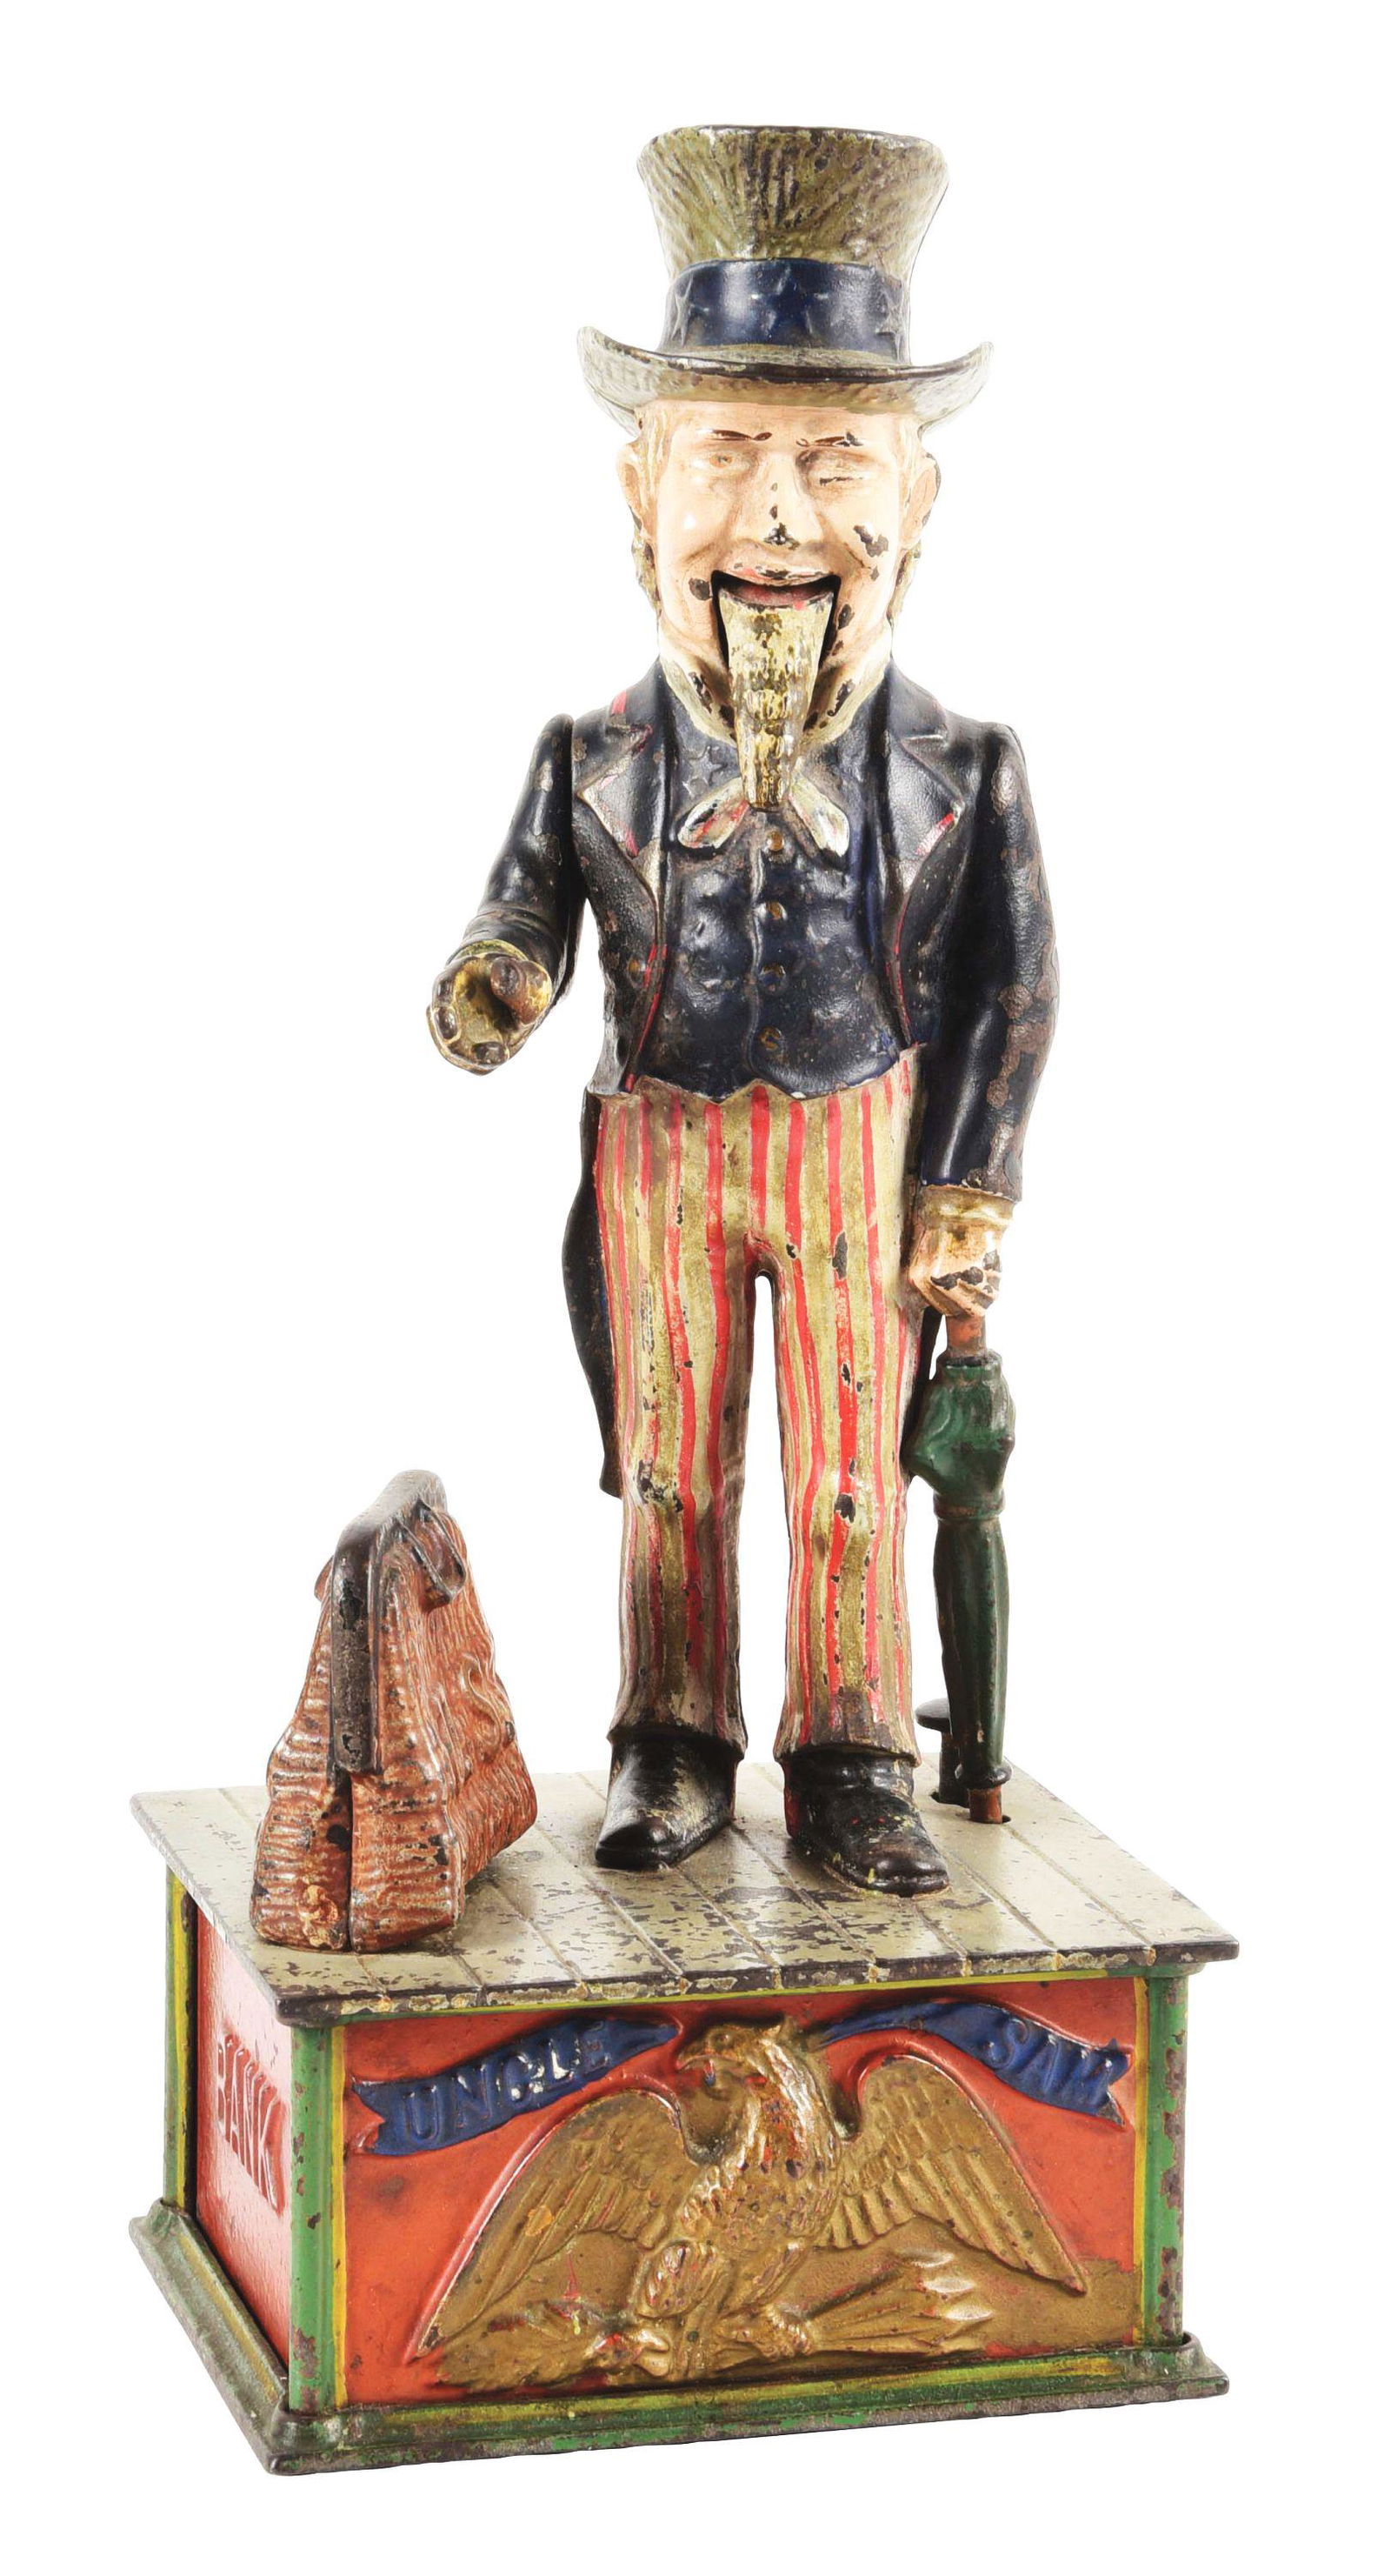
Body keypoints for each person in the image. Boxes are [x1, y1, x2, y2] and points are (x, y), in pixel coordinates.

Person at [429, 127, 1055, 1891]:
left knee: (852, 1467)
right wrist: (499, 975)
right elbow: (525, 904)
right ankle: (671, 1733)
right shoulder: (589, 757)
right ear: (641, 490)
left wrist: (965, 1186)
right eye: (728, 454)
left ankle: (851, 1748)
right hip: (660, 1147)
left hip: (859, 1141)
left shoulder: (964, 771)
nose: (779, 518)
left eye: (834, 459)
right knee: (670, 1466)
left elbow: (1011, 987)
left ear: (917, 502)